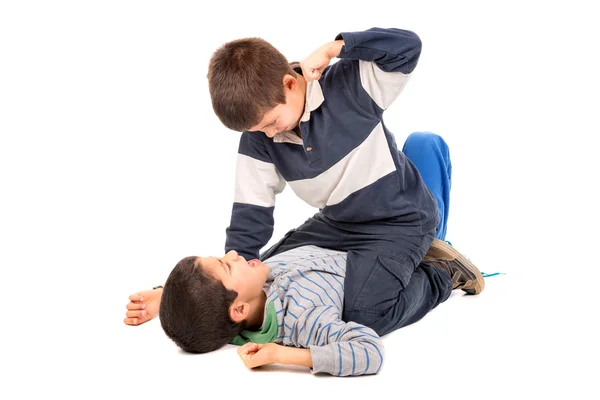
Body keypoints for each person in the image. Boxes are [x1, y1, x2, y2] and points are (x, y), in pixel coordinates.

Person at [124, 133, 486, 376]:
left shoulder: (241, 304)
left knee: (387, 161)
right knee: (425, 144)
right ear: (238, 309)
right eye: (224, 263)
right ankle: (442, 262)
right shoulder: (303, 319)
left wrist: (165, 298)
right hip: (396, 248)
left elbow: (204, 310)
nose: (233, 254)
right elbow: (368, 350)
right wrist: (286, 356)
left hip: (349, 229)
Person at [207, 26, 482, 335]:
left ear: (289, 84)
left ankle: (441, 270)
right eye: (259, 130)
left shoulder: (349, 86)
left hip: (398, 220)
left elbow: (408, 47)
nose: (269, 135)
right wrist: (205, 301)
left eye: (271, 123)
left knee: (365, 313)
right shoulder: (259, 137)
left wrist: (336, 47)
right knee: (270, 267)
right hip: (339, 223)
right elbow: (248, 220)